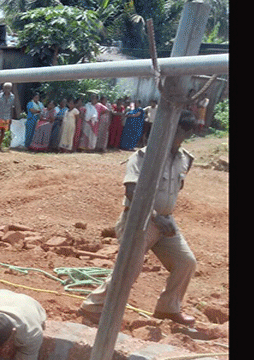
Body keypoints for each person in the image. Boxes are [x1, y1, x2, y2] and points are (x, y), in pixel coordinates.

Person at [79, 110, 199, 327]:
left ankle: (168, 308)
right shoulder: (144, 155)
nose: (171, 132)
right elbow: (131, 190)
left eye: (178, 129)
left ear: (186, 132)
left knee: (186, 262)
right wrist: (154, 216)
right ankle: (93, 307)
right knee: (128, 269)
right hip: (138, 220)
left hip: (165, 221)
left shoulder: (185, 160)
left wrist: (164, 218)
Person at [0, 82, 17, 152]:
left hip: (7, 116)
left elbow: (12, 107)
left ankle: (0, 146)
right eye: (6, 88)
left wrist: (11, 117)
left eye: (9, 88)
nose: (7, 89)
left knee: (3, 131)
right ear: (3, 88)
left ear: (11, 89)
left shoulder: (12, 97)